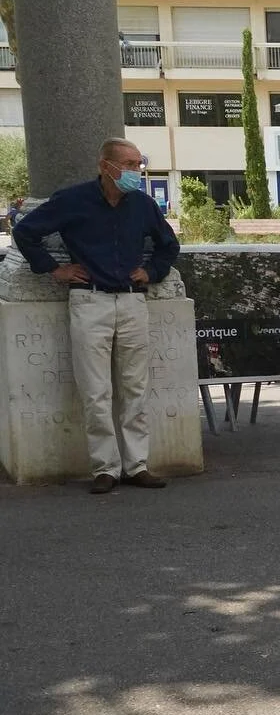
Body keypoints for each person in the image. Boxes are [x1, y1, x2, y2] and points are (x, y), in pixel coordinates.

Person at [13, 139, 179, 494]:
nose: (137, 171)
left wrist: (151, 271)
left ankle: (137, 465)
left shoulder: (143, 205)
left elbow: (168, 245)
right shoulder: (73, 200)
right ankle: (105, 468)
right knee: (96, 391)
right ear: (106, 166)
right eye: (130, 164)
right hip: (90, 301)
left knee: (134, 387)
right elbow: (25, 232)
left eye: (139, 163)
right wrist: (54, 269)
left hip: (133, 301)